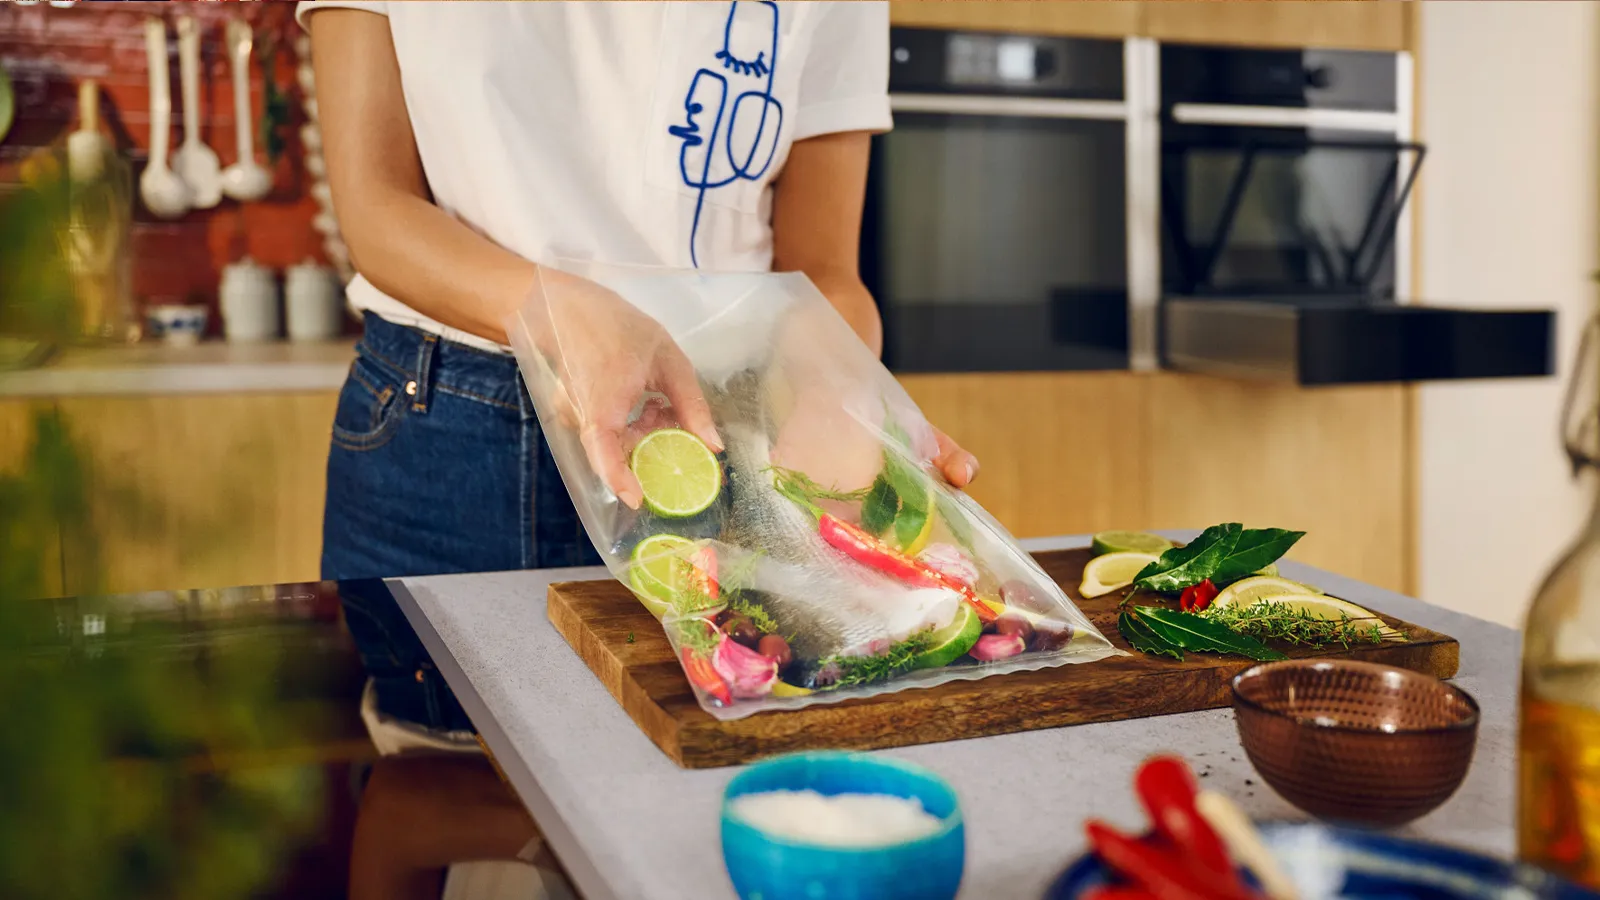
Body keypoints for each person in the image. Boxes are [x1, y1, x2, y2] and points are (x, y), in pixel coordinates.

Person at [299, 2, 980, 897]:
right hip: (458, 426)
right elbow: (376, 210)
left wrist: (836, 386)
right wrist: (556, 308)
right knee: (436, 775)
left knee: (721, 772)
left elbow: (825, 268)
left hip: (719, 432)